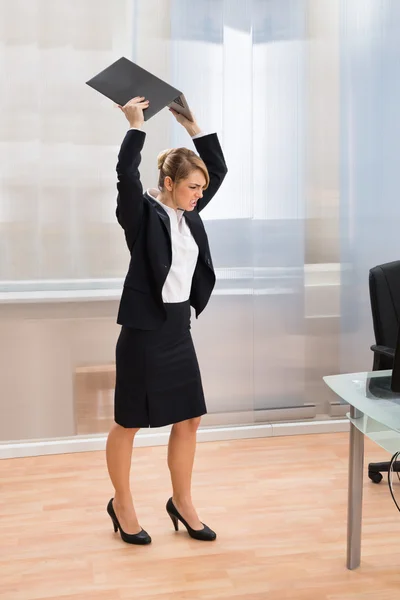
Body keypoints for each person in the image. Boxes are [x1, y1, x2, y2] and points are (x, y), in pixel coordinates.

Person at [105, 96, 228, 545]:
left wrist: (195, 127)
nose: (200, 195)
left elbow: (218, 169)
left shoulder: (187, 214)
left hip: (178, 329)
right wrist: (135, 127)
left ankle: (182, 502)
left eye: (202, 188)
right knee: (129, 422)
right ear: (169, 182)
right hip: (143, 332)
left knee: (190, 418)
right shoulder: (142, 216)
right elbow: (124, 176)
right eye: (193, 187)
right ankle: (122, 503)